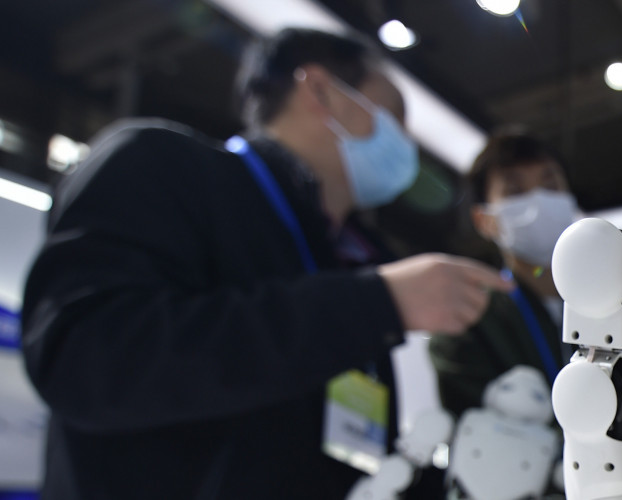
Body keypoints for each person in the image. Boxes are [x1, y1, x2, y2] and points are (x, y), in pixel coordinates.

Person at [20, 28, 507, 499]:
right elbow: (86, 359)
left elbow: (330, 456)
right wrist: (371, 303)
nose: (405, 145)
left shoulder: (344, 262)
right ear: (321, 90)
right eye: (394, 117)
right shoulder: (160, 166)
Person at [428, 134, 577, 416]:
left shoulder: (616, 299)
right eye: (515, 191)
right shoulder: (467, 320)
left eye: (551, 185)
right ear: (484, 221)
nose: (539, 201)